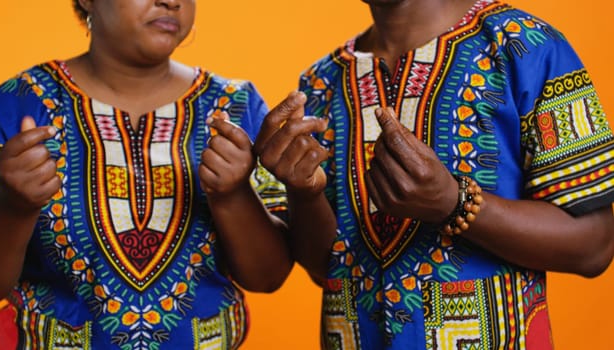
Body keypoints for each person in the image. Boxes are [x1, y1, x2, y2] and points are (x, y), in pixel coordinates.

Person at [254, 0, 614, 348]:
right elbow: (326, 269)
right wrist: (305, 193)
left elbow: (594, 245)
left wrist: (454, 203)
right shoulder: (320, 83)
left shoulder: (526, 46)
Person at [0, 0, 293, 348]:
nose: (171, 2)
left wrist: (233, 195)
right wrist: (14, 206)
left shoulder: (235, 107)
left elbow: (268, 277)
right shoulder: (17, 104)